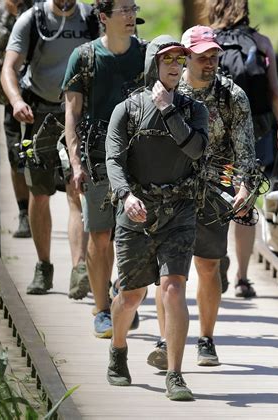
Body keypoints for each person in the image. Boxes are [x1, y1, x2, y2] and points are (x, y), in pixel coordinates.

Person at [147, 25, 256, 370]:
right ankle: (166, 340)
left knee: (209, 267)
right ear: (185, 57)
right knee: (169, 272)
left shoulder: (231, 96)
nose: (209, 62)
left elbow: (246, 149)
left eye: (214, 56)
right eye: (202, 56)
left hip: (212, 192)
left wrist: (245, 187)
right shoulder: (166, 91)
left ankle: (206, 338)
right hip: (170, 191)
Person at [105, 35, 208, 400]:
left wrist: (168, 110)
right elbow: (114, 160)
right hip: (137, 211)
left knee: (174, 288)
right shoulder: (127, 110)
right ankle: (118, 351)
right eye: (167, 60)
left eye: (180, 60)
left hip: (179, 211)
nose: (175, 66)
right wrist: (125, 195)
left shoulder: (194, 109)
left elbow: (196, 150)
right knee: (131, 295)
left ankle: (176, 374)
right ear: (153, 64)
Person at [1, 0, 97, 297]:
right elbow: (9, 68)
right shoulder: (33, 20)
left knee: (75, 189)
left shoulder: (90, 18)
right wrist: (17, 101)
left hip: (78, 113)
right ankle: (44, 267)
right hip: (39, 111)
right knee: (39, 193)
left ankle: (79, 269)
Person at [62, 0, 146, 338]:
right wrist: (76, 164)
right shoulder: (84, 58)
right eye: (123, 10)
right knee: (99, 234)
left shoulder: (146, 54)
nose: (131, 16)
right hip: (96, 157)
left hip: (139, 157)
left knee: (136, 232)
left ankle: (124, 296)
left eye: (133, 8)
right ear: (102, 18)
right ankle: (100, 310)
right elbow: (71, 115)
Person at [206, 0, 278, 298]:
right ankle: (243, 278)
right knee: (246, 206)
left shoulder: (206, 40)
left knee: (213, 200)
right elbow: (275, 91)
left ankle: (217, 259)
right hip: (257, 131)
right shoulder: (260, 42)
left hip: (216, 133)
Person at [0, 0, 32, 238]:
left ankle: (36, 210)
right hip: (8, 94)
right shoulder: (0, 9)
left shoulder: (42, 7)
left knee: (37, 153)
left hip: (37, 91)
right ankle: (24, 214)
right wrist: (9, 16)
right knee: (15, 156)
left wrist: (23, 14)